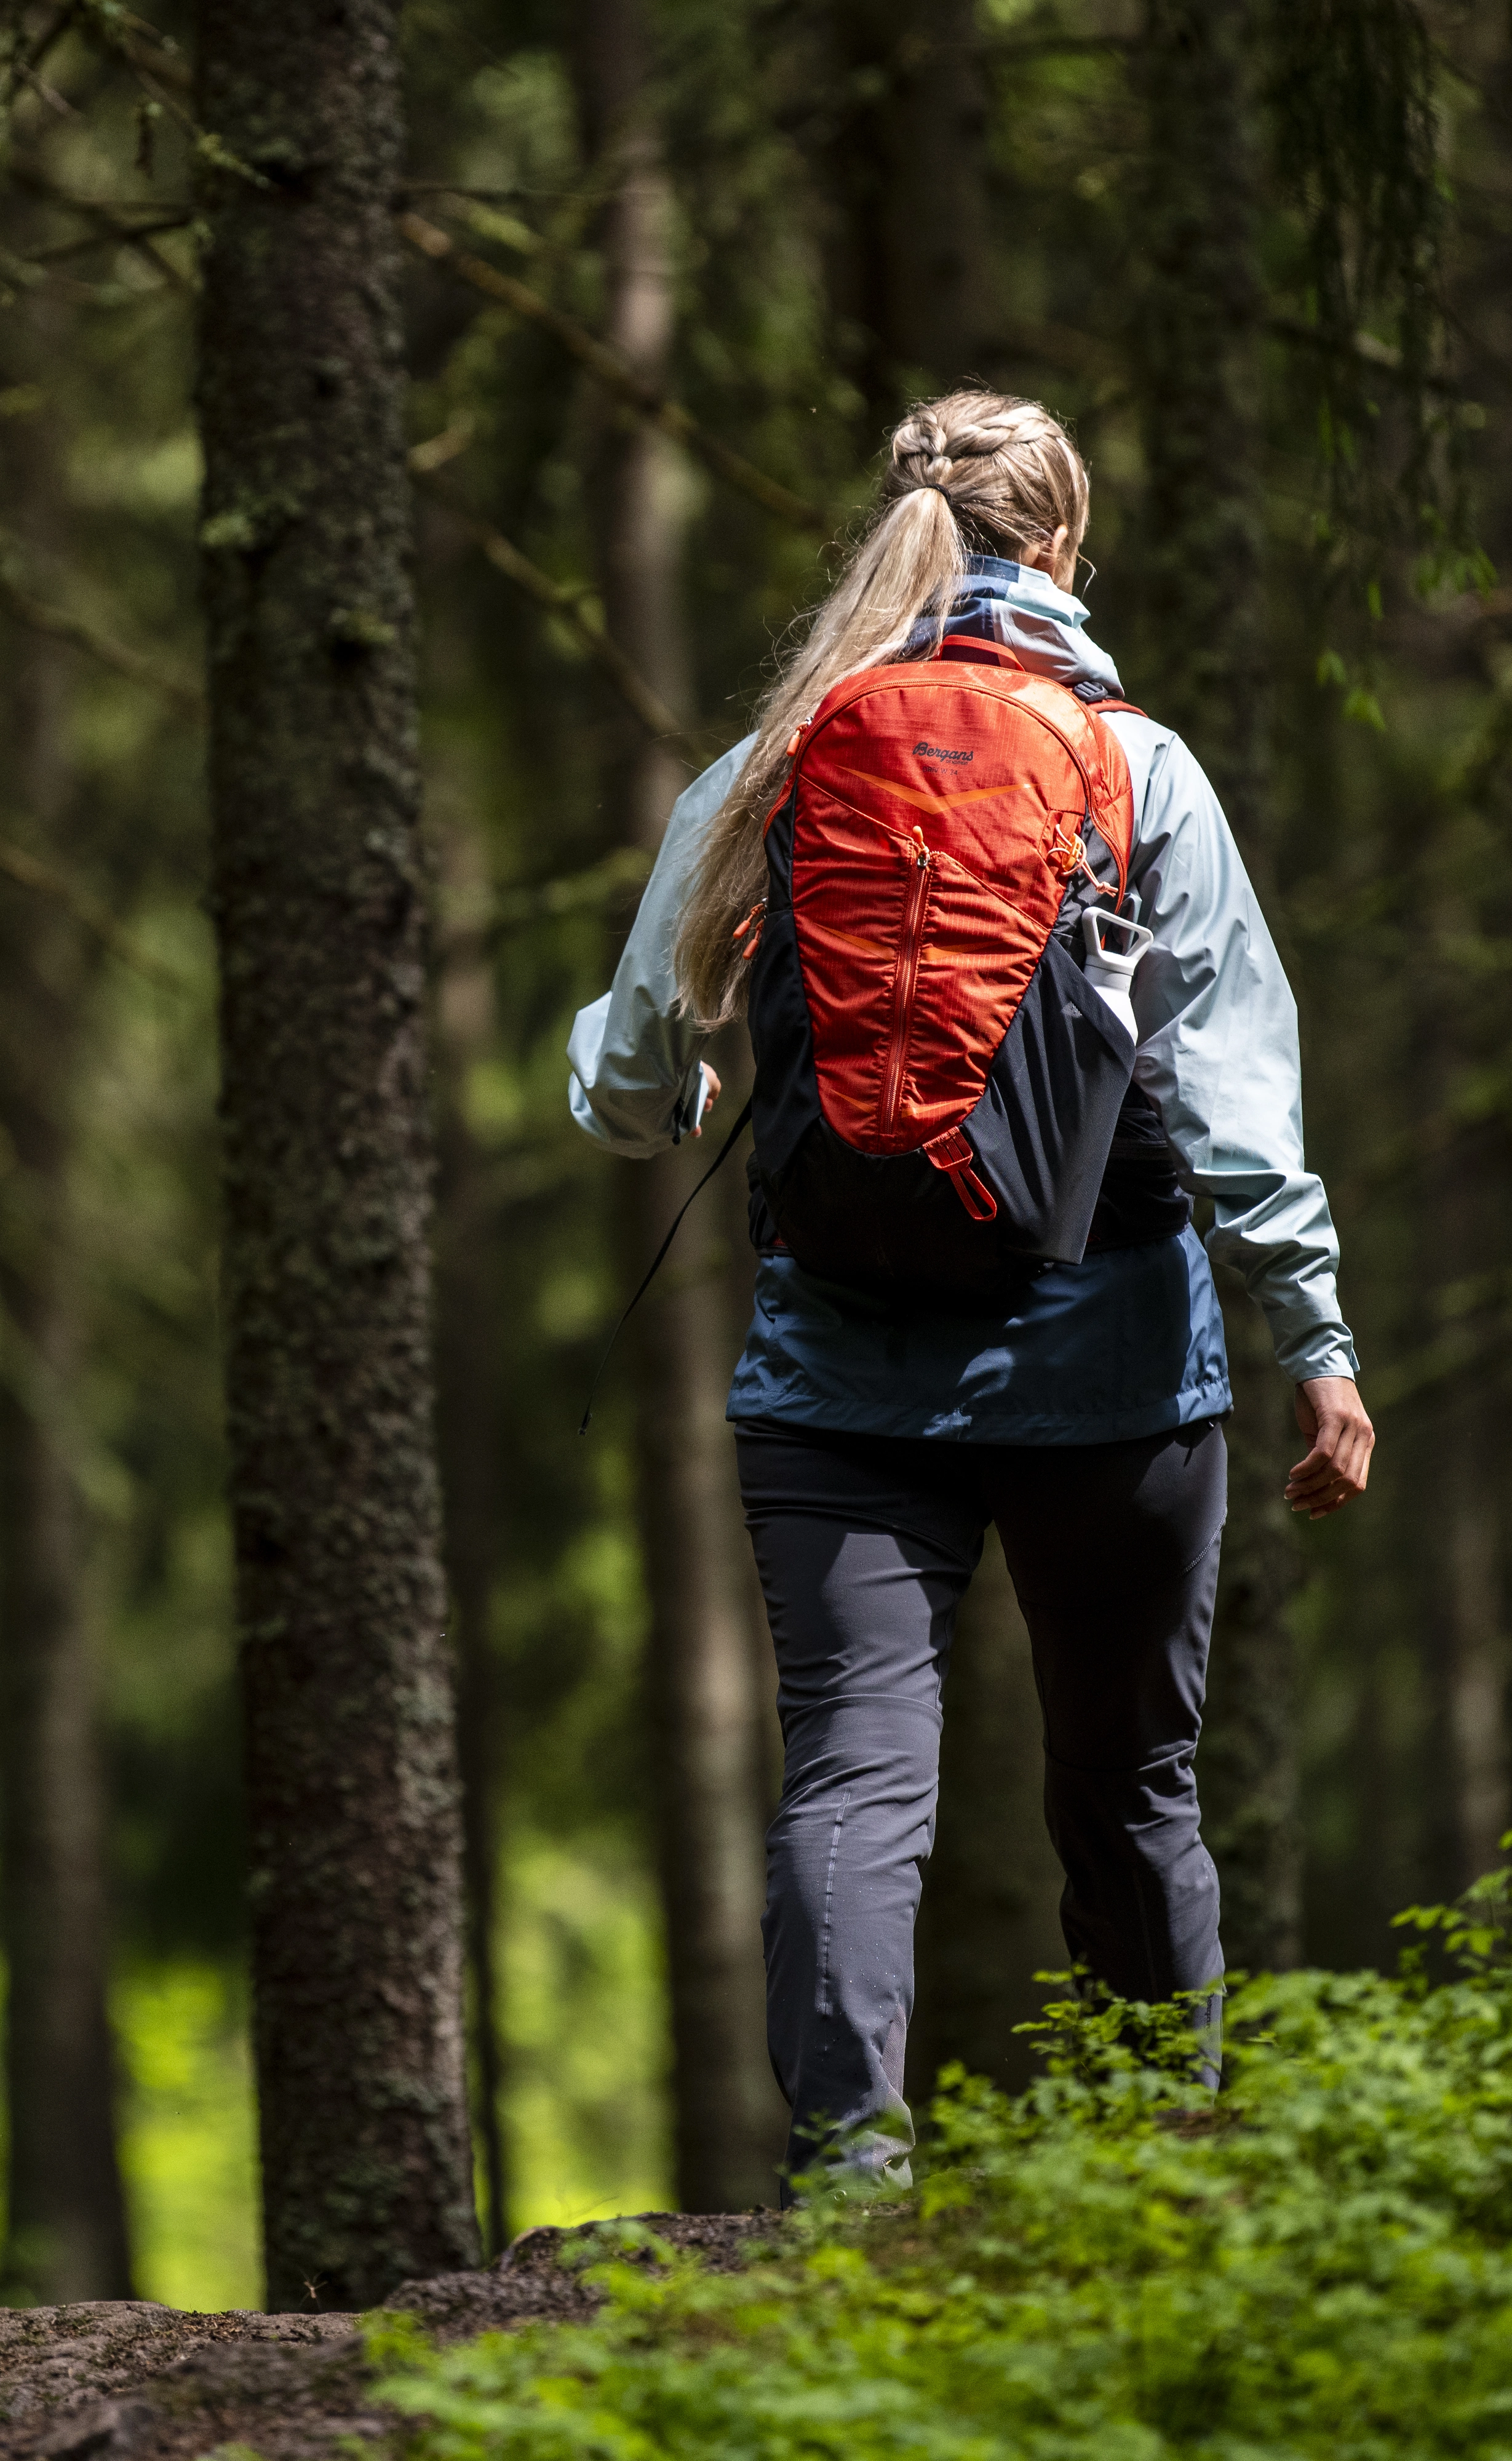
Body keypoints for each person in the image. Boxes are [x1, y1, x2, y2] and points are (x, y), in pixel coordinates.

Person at [568, 389, 1372, 2195]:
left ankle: (851, 2173)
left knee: (855, 1785)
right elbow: (1237, 1108)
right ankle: (1163, 2173)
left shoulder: (772, 764)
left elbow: (631, 1080)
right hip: (1115, 1378)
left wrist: (677, 1095)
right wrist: (1314, 1342)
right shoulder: (1137, 768)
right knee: (1130, 1792)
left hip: (835, 1380)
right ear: (1066, 546)